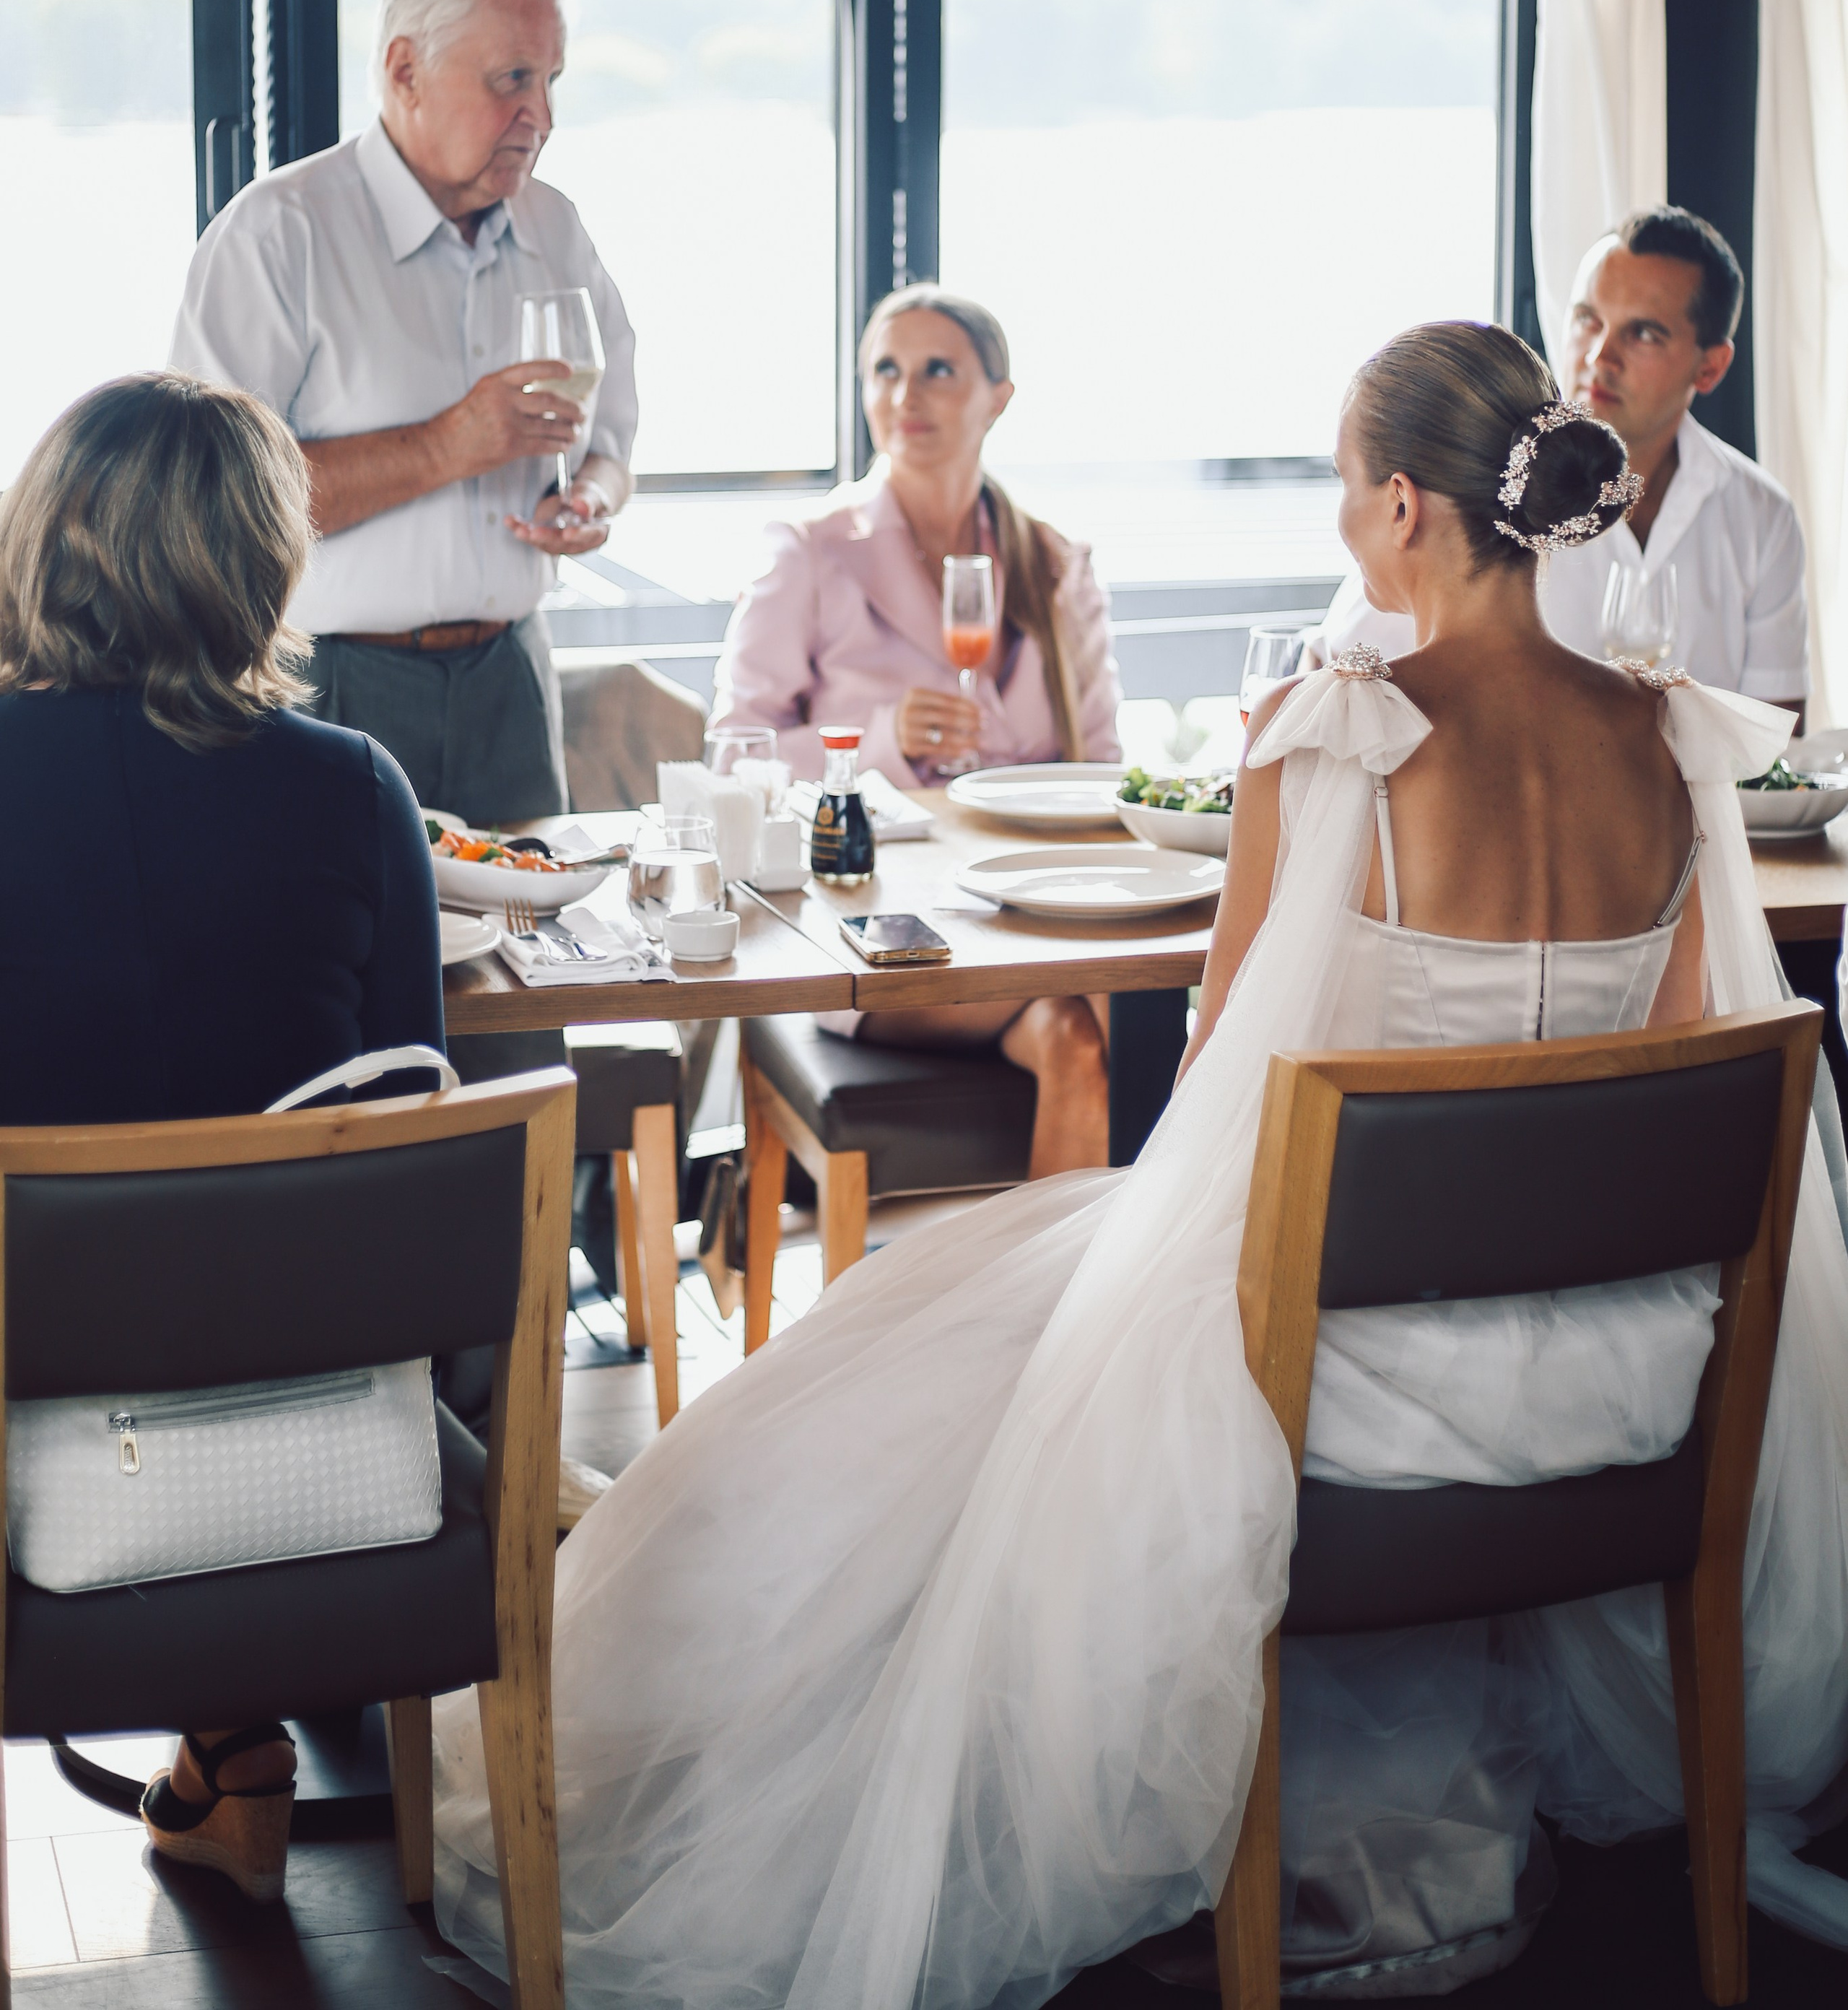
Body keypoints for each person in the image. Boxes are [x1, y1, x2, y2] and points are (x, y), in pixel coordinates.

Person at [429, 319, 1848, 2004]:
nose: (1340, 523)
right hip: (1627, 1389)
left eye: (1339, 490)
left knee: (926, 1370)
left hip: (1365, 1388)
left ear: (1400, 506)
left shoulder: (1335, 734)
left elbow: (1230, 1080)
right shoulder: (1668, 739)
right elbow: (1666, 1053)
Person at [0, 373, 446, 1905]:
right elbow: (408, 1107)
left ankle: (229, 1745)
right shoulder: (352, 790)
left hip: (31, 1380)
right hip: (308, 1403)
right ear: (261, 561)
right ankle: (232, 1739)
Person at [170, 0, 638, 829]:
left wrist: (593, 499)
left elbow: (613, 440)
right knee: (326, 962)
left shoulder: (559, 230)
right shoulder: (279, 235)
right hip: (330, 685)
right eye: (512, 79)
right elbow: (213, 505)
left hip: (512, 678)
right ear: (404, 69)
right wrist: (450, 444)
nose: (541, 115)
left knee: (544, 968)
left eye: (550, 81)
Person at [711, 284, 1123, 1175]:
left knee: (1080, 1041)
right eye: (885, 371)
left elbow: (1103, 771)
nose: (907, 396)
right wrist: (880, 739)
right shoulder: (809, 549)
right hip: (873, 922)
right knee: (1107, 1024)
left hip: (1030, 911)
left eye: (939, 370)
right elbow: (733, 756)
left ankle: (1067, 1309)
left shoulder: (1052, 564)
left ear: (997, 399)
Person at [1312, 209, 1808, 715]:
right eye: (1587, 319)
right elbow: (1328, 672)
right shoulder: (1478, 499)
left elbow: (1776, 735)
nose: (1598, 356)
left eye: (1643, 334)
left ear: (1711, 366)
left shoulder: (1763, 516)